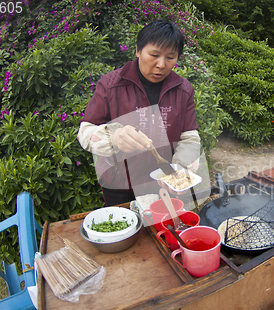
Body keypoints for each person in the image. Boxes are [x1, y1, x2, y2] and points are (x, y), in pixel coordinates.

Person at [77, 20, 201, 206]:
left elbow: (190, 137)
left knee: (159, 231)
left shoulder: (183, 90)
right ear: (138, 50)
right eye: (154, 55)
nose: (161, 64)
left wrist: (179, 170)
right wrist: (115, 138)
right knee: (125, 230)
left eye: (170, 57)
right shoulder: (111, 84)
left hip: (162, 182)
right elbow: (85, 132)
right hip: (118, 183)